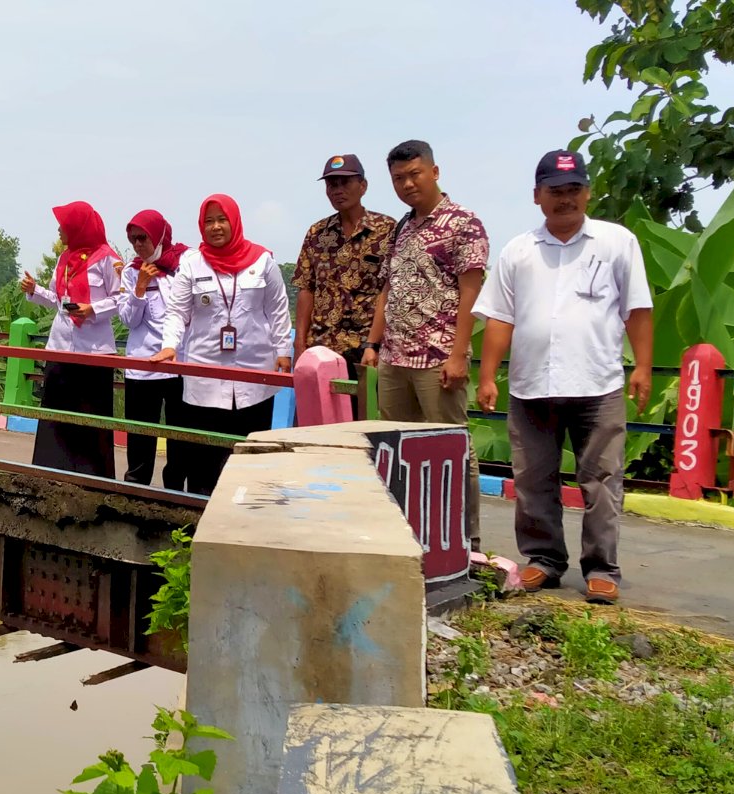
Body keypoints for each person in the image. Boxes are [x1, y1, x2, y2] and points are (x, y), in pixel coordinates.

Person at [474, 150, 654, 604]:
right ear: (537, 196)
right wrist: (488, 376)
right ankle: (544, 560)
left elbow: (637, 309)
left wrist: (643, 367)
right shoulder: (518, 251)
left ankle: (602, 568)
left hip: (598, 384)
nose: (565, 198)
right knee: (534, 480)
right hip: (531, 385)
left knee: (602, 481)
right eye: (555, 190)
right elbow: (499, 317)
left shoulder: (616, 242)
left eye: (574, 189)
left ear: (588, 193)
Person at [365, 140, 488, 552]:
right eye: (398, 178)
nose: (407, 184)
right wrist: (373, 343)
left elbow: (471, 293)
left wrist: (458, 354)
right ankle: (407, 533)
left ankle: (465, 541)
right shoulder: (402, 227)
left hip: (438, 358)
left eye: (414, 174)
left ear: (434, 172)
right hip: (395, 356)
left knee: (451, 446)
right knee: (396, 446)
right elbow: (388, 289)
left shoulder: (463, 223)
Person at [150, 194, 292, 496]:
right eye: (209, 221)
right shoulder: (191, 265)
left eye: (222, 219)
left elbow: (278, 309)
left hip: (254, 377)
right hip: (205, 376)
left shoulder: (262, 261)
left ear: (235, 221)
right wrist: (170, 345)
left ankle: (249, 513)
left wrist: (283, 351)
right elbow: (176, 312)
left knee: (250, 455)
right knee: (204, 459)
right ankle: (202, 512)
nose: (215, 227)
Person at [20, 201, 121, 478]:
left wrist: (93, 309)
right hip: (60, 345)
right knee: (56, 411)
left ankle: (94, 474)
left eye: (63, 226)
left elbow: (121, 299)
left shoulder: (108, 259)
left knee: (91, 415)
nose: (59, 231)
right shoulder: (64, 258)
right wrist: (35, 290)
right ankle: (51, 470)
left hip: (94, 350)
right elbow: (58, 301)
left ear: (78, 227)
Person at [292, 154, 396, 381]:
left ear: (363, 186)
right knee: (319, 406)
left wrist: (375, 344)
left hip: (367, 349)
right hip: (321, 348)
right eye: (332, 184)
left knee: (367, 405)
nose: (338, 190)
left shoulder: (387, 230)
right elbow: (306, 288)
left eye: (345, 183)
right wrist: (299, 344)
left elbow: (391, 290)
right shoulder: (317, 233)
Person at [116, 210, 189, 489]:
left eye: (143, 238)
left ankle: (174, 490)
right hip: (143, 365)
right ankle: (135, 489)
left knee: (179, 432)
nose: (137, 245)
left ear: (158, 236)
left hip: (178, 364)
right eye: (133, 239)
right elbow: (128, 320)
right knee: (139, 432)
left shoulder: (183, 266)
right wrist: (140, 288)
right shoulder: (131, 272)